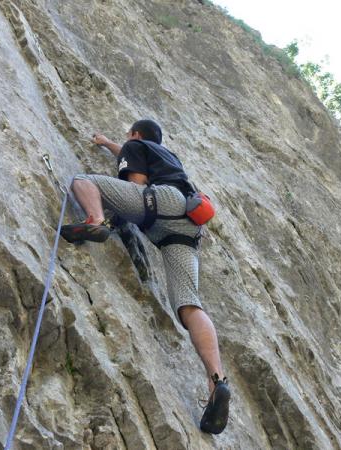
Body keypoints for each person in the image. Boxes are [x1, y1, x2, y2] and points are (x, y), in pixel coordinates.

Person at [60, 119, 231, 434]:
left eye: (128, 137)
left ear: (136, 135)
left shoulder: (135, 145)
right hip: (189, 224)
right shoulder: (167, 157)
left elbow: (136, 183)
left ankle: (95, 220)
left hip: (161, 203)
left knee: (83, 180)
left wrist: (117, 209)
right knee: (189, 305)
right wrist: (106, 143)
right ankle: (216, 381)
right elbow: (126, 153)